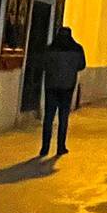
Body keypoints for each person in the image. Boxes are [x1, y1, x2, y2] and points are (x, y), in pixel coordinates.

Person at [40, 27, 86, 157]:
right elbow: (82, 65)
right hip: (67, 87)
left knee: (48, 117)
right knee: (63, 118)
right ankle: (61, 147)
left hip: (51, 86)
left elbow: (43, 64)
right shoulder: (77, 49)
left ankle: (45, 148)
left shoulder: (50, 48)